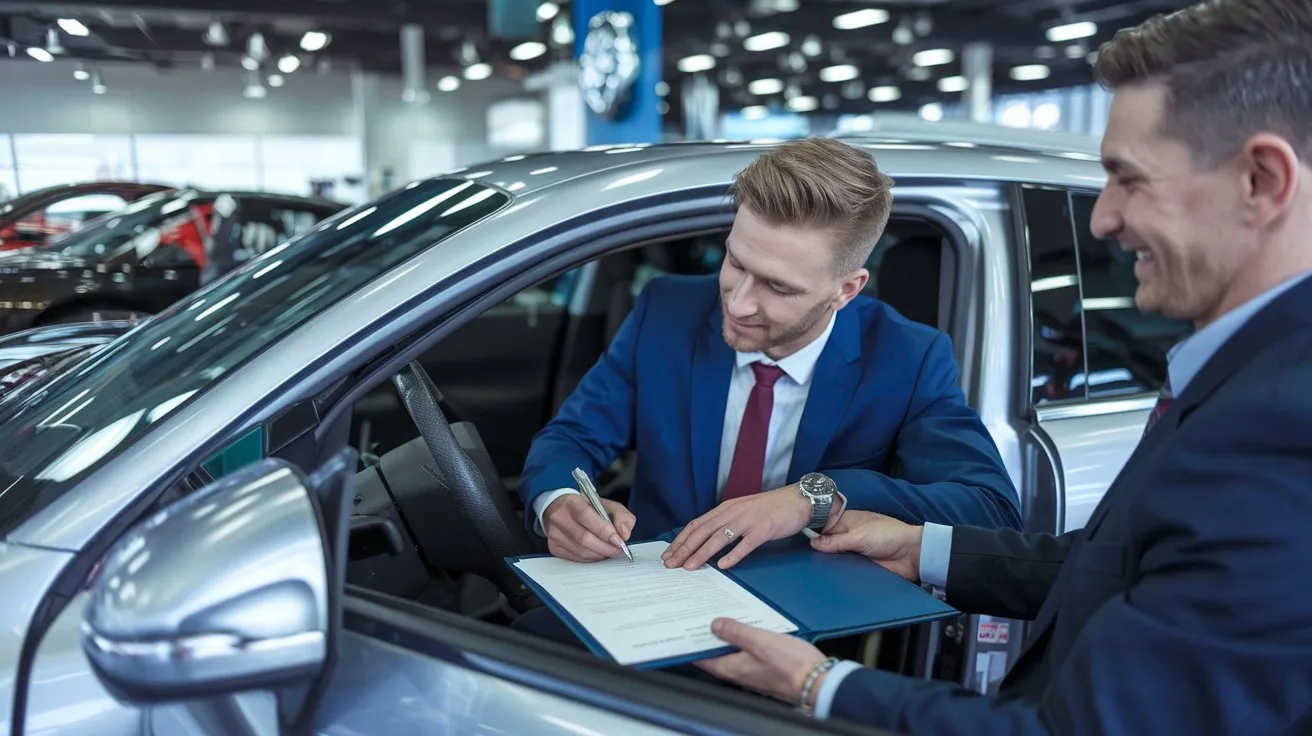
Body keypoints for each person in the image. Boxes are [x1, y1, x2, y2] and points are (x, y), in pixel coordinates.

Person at [693, 2, 1312, 734]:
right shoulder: (1256, 376)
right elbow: (1129, 567)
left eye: (1127, 179)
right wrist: (923, 546)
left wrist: (816, 685)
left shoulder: (1282, 428)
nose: (1102, 220)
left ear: (1262, 180)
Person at [517, 137, 1022, 578]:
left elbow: (990, 509)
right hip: (653, 589)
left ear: (846, 290)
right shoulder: (665, 310)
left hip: (800, 625)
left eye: (778, 287)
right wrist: (558, 501)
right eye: (736, 262)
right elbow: (570, 439)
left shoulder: (908, 357)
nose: (737, 303)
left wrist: (812, 498)